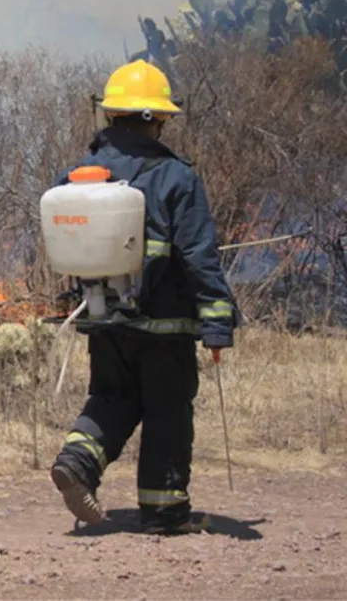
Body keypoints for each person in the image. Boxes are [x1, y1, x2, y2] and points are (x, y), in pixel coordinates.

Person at [48, 59, 241, 536]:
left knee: (112, 397)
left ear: (112, 115)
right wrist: (217, 323)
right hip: (165, 327)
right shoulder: (176, 177)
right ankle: (164, 510)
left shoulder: (76, 177)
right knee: (167, 409)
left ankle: (76, 462)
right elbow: (198, 255)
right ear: (154, 119)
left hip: (103, 318)